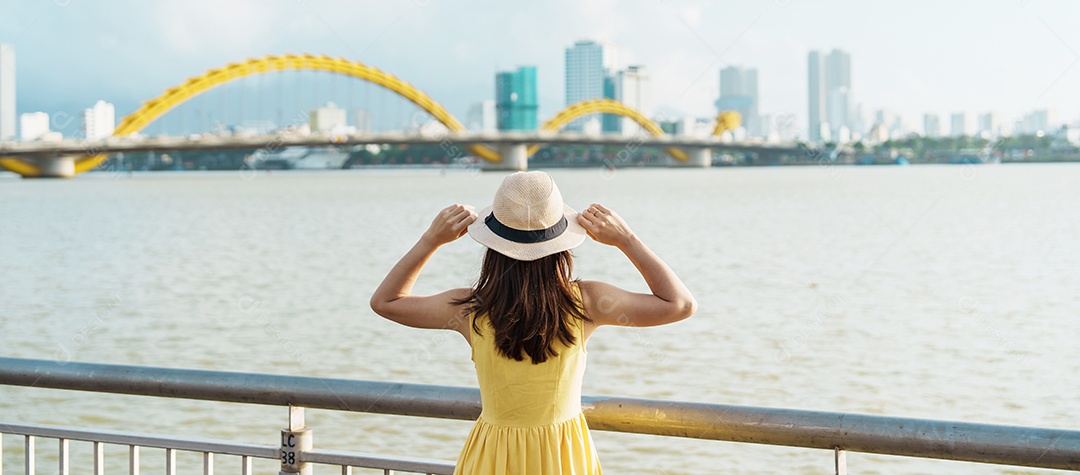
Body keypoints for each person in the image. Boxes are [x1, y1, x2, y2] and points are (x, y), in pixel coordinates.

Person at [370, 171, 697, 474]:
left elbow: (386, 302)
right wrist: (627, 239)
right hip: (562, 456)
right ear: (562, 244)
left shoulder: (470, 308)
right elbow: (679, 304)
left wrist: (431, 240)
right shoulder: (588, 302)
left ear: (492, 246)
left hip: (493, 457)